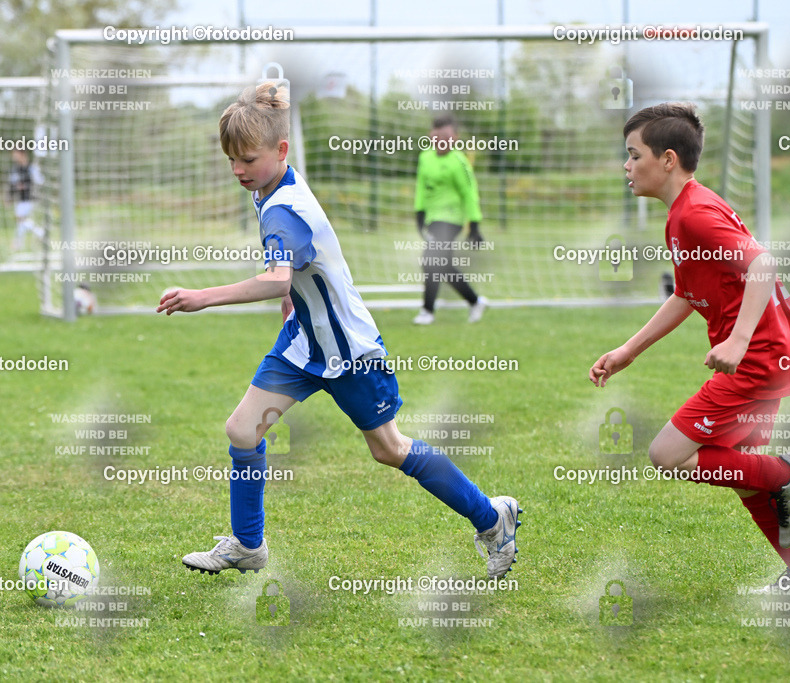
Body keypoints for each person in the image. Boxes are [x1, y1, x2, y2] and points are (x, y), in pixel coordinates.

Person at [157, 83, 520, 578]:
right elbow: (295, 272)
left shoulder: (284, 209)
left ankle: (491, 517)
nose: (238, 171)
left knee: (389, 449)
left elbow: (278, 275)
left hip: (349, 352)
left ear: (280, 151)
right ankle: (248, 545)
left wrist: (202, 297)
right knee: (243, 430)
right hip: (303, 344)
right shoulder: (270, 188)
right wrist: (292, 304)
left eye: (247, 159)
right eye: (231, 161)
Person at [589, 102, 790, 591]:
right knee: (745, 477)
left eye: (632, 154)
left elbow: (762, 265)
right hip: (767, 357)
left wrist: (739, 339)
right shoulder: (683, 213)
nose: (626, 165)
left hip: (757, 362)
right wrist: (627, 351)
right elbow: (685, 295)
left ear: (666, 159)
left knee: (668, 454)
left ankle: (787, 470)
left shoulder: (697, 215)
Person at [412, 114, 488, 325]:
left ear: (455, 137)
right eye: (436, 135)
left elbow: (469, 193)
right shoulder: (425, 158)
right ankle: (475, 301)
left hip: (452, 219)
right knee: (441, 264)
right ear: (431, 135)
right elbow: (421, 187)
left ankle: (427, 311)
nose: (440, 139)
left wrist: (474, 224)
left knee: (431, 260)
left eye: (445, 135)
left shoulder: (459, 162)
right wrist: (419, 213)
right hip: (433, 219)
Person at [8, 149, 45, 249]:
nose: (14, 157)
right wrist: (9, 197)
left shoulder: (31, 168)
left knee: (21, 220)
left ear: (22, 154)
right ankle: (39, 233)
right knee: (21, 221)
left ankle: (19, 242)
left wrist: (26, 186)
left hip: (30, 199)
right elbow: (12, 184)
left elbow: (40, 181)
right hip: (20, 199)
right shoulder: (15, 169)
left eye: (16, 154)